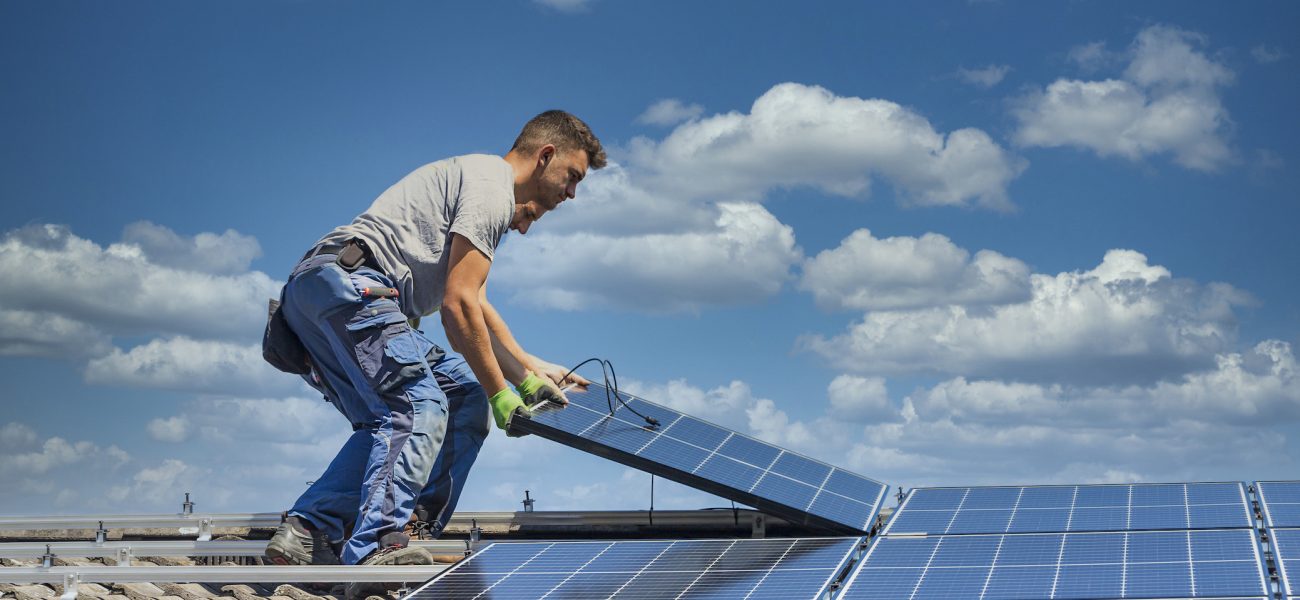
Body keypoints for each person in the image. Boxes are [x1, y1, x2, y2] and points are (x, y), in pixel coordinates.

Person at [262, 111, 605, 595]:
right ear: (546, 155)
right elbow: (457, 307)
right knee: (418, 404)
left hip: (324, 293)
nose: (572, 193)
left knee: (457, 398)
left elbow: (476, 305)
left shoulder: (478, 184)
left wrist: (530, 369)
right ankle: (381, 543)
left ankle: (309, 531)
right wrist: (503, 395)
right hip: (355, 287)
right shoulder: (492, 186)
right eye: (573, 177)